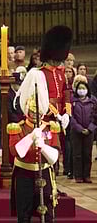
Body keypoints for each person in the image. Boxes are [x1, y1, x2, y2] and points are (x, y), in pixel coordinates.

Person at [10, 68, 60, 223]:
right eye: (32, 112)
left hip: (44, 172)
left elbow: (55, 155)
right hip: (24, 174)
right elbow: (16, 152)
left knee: (47, 217)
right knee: (23, 217)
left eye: (38, 112)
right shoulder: (18, 127)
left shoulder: (50, 127)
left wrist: (43, 147)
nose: (36, 115)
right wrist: (31, 137)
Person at [39, 25, 73, 177]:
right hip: (46, 120)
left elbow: (66, 94)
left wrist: (66, 113)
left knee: (59, 151)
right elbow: (42, 98)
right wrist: (55, 114)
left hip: (59, 119)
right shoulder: (40, 73)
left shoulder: (61, 73)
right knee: (48, 151)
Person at [70, 80, 97, 183]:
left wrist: (90, 128)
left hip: (89, 131)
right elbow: (71, 117)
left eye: (84, 88)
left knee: (87, 154)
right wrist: (80, 129)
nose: (82, 90)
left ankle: (87, 175)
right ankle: (78, 176)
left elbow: (95, 117)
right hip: (76, 131)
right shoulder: (72, 101)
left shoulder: (93, 101)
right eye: (80, 88)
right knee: (77, 154)